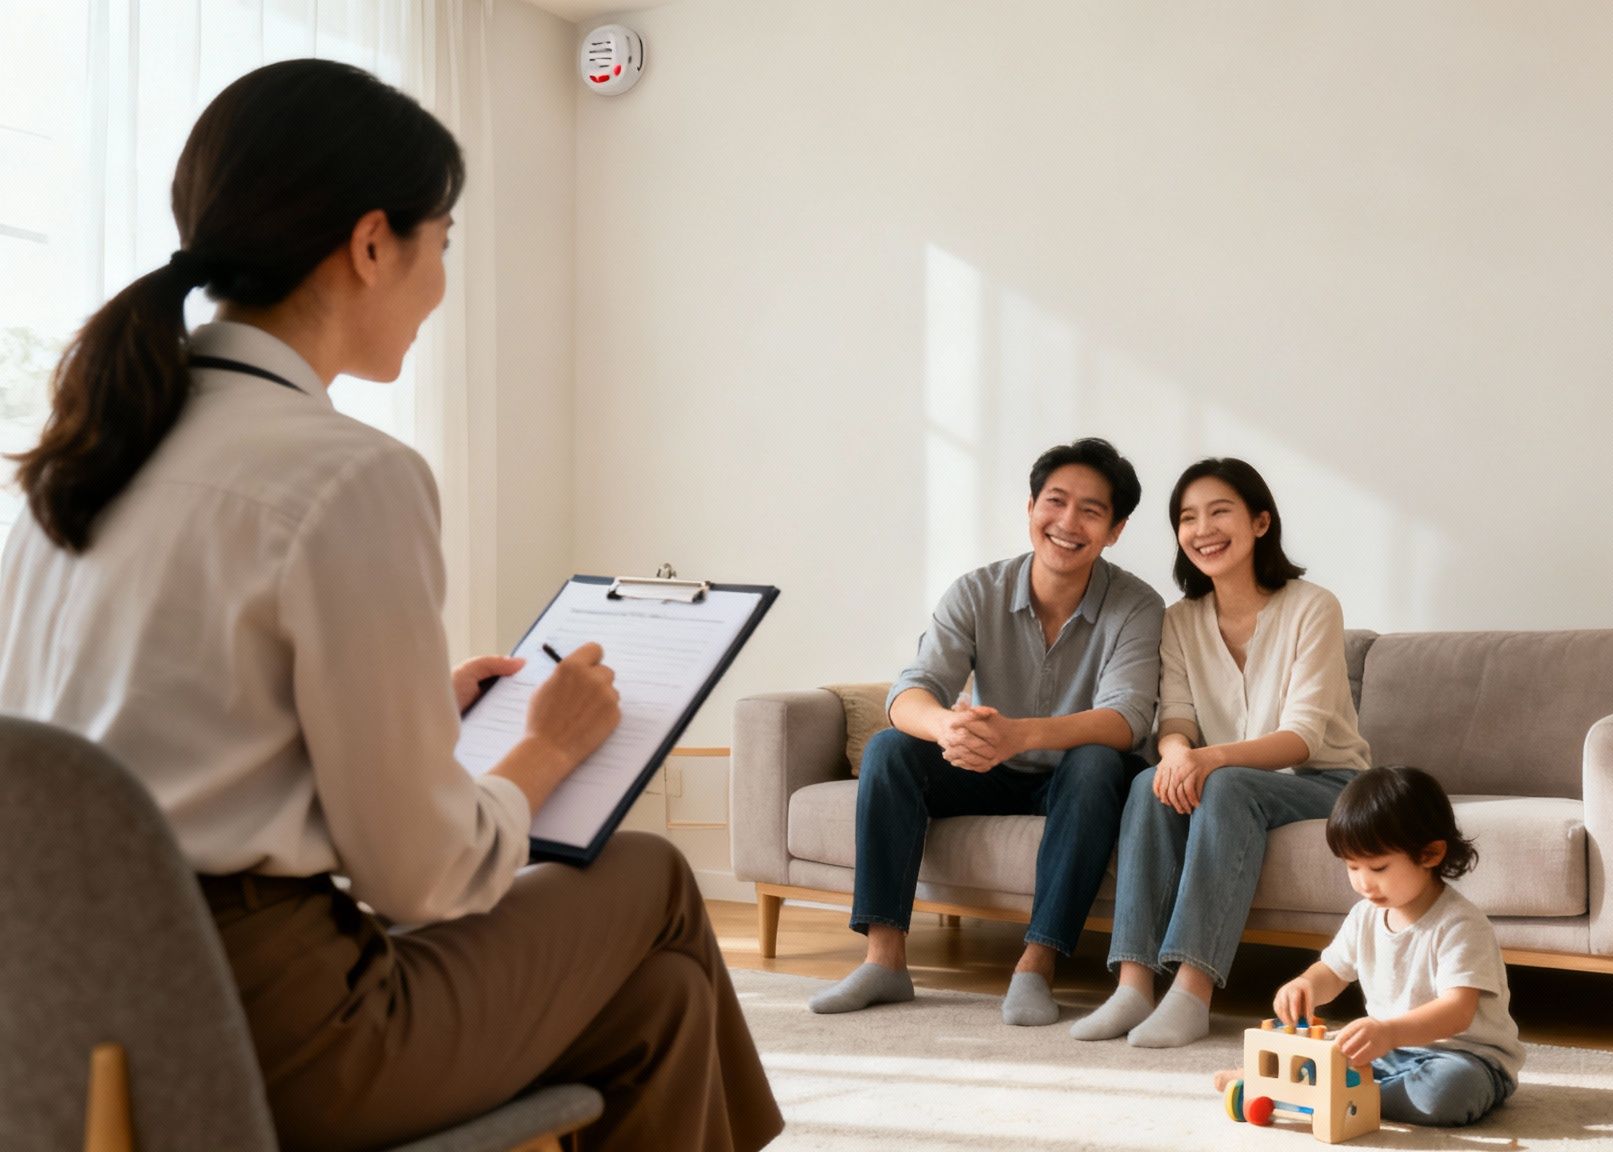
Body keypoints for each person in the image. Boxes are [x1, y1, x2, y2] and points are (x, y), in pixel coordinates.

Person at [0, 60, 779, 1152]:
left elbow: (161, 741)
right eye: (444, 243)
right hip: (284, 1033)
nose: (442, 281)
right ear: (374, 244)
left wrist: (417, 710)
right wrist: (542, 752)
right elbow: (421, 876)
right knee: (649, 872)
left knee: (660, 1009)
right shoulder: (345, 474)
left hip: (63, 1015)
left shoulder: (71, 465)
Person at [807, 438, 1165, 1026]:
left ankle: (1036, 965)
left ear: (1116, 529)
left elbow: (1126, 720)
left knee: (1098, 759)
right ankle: (885, 960)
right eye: (1055, 501)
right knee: (891, 748)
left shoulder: (1137, 606)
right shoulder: (977, 592)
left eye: (1091, 511)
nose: (1068, 523)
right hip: (986, 766)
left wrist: (1019, 735)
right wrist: (947, 725)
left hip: (1076, 777)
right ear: (1030, 508)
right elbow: (910, 692)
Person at [1072, 457, 1370, 1047]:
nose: (1201, 528)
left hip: (1325, 780)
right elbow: (1175, 718)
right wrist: (1179, 754)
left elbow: (1303, 736)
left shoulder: (1314, 606)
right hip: (1233, 779)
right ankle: (1134, 986)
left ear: (1260, 522)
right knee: (1147, 782)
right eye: (1187, 517)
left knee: (1226, 783)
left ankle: (1191, 991)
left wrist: (1207, 760)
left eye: (1219, 512)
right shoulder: (1180, 620)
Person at [1261, 766, 1521, 1126]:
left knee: (1445, 1093)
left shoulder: (1460, 924)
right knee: (1314, 1056)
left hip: (1464, 1057)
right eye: (1352, 867)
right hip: (1388, 1052)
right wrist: (1305, 984)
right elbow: (1333, 972)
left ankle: (1332, 1097)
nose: (1363, 883)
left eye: (1378, 868)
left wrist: (1388, 1032)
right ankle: (1307, 1087)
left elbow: (1457, 1011)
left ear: (1430, 854)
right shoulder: (1364, 916)